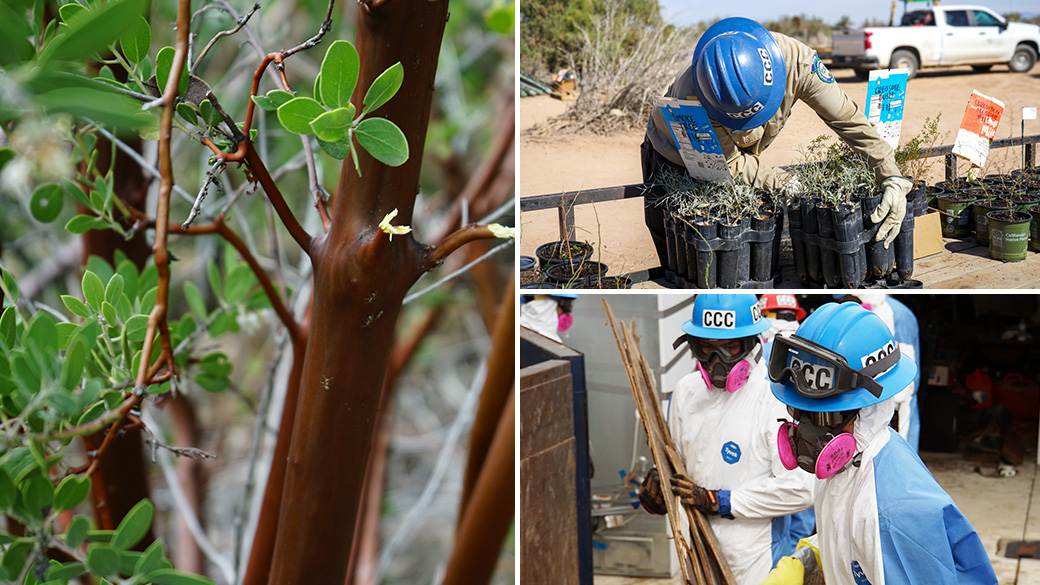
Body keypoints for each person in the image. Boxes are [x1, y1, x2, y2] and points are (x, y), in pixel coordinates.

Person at [641, 17, 913, 267]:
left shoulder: (799, 63)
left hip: (739, 158)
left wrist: (891, 175)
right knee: (684, 254)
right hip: (675, 154)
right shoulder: (692, 95)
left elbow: (847, 119)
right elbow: (731, 164)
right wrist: (783, 183)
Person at [761, 302, 997, 585]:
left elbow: (873, 532)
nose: (806, 433)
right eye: (799, 412)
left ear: (868, 409)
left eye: (823, 416)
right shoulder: (856, 459)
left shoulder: (891, 515)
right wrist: (810, 557)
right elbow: (850, 530)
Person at [639, 294, 814, 584]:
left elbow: (800, 488)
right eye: (707, 348)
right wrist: (659, 492)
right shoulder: (686, 392)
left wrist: (721, 502)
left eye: (729, 348)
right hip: (696, 554)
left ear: (752, 344)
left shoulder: (775, 400)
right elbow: (679, 469)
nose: (716, 361)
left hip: (755, 562)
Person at [838, 293, 922, 451]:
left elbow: (907, 358)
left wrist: (899, 395)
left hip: (892, 395)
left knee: (899, 442)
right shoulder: (858, 312)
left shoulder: (895, 312)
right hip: (869, 392)